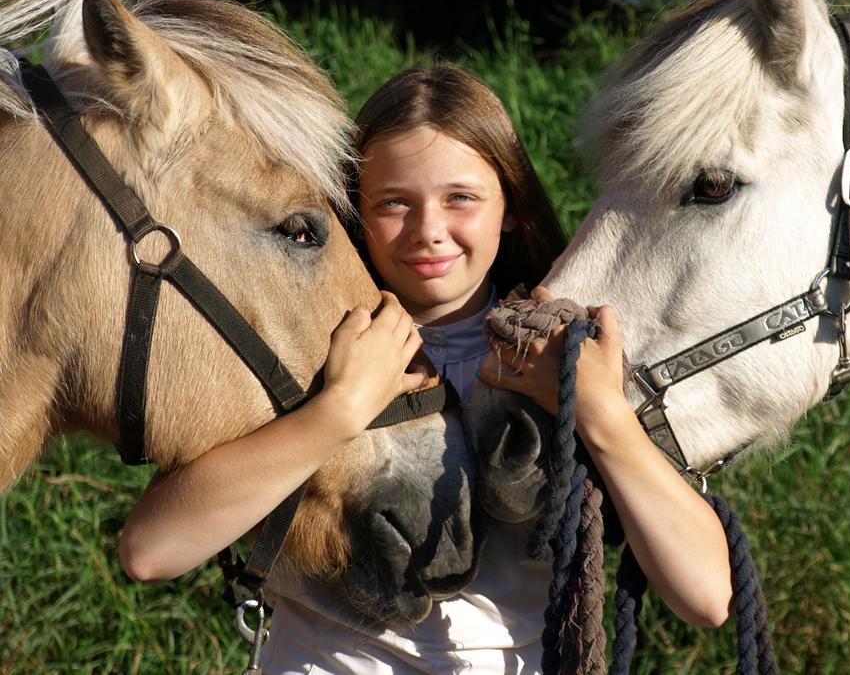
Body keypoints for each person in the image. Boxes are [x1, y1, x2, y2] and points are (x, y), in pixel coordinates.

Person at [119, 63, 732, 674]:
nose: (428, 232)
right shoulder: (302, 347)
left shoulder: (566, 356)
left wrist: (600, 412)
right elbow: (150, 552)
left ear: (510, 206)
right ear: (354, 212)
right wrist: (337, 411)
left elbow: (706, 597)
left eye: (460, 198)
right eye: (394, 203)